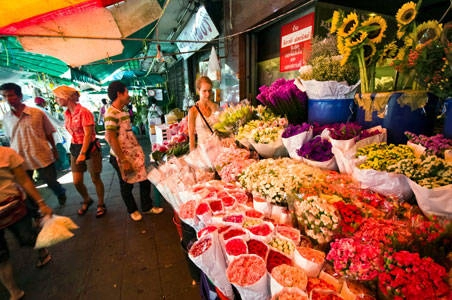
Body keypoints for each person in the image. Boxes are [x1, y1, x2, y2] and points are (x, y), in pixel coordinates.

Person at [0, 83, 67, 212]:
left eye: (11, 95)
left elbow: (48, 132)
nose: (8, 99)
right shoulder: (6, 118)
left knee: (51, 182)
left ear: (19, 96)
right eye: (4, 96)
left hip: (41, 154)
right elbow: (10, 139)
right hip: (20, 158)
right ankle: (36, 213)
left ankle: (60, 193)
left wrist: (54, 149)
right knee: (26, 187)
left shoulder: (36, 113)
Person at [105, 81, 163, 222]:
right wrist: (123, 160)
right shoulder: (110, 113)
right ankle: (132, 210)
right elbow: (111, 138)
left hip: (134, 154)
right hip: (122, 157)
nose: (128, 95)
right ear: (119, 94)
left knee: (144, 180)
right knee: (127, 185)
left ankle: (147, 206)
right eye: (126, 92)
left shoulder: (123, 111)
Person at [0, 146, 53, 300]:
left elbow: (24, 180)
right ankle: (14, 292)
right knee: (1, 256)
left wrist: (41, 203)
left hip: (14, 209)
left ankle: (42, 251)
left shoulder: (7, 153)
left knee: (27, 238)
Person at [52, 86, 106, 218]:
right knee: (76, 181)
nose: (56, 100)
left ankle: (101, 203)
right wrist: (78, 152)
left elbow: (88, 135)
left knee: (95, 178)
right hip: (75, 147)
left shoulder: (84, 112)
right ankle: (87, 199)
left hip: (90, 148)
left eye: (58, 97)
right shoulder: (67, 114)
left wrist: (83, 153)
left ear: (66, 97)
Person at [188, 76, 219, 151]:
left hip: (218, 149)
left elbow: (221, 128)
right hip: (203, 152)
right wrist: (193, 156)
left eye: (209, 91)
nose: (208, 94)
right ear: (198, 91)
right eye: (204, 91)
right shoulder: (193, 111)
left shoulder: (215, 107)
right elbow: (191, 136)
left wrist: (214, 109)